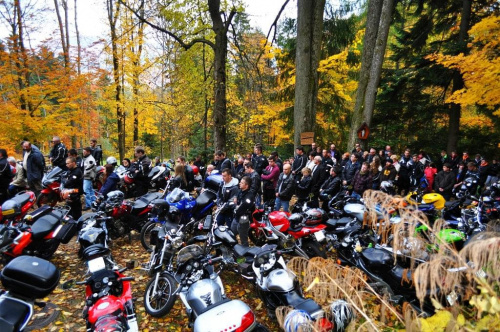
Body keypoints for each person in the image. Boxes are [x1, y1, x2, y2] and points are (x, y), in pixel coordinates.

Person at [231, 176, 254, 247]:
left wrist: (236, 206)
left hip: (243, 220)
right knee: (232, 234)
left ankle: (245, 252)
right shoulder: (240, 191)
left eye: (242, 183)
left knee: (243, 238)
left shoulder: (250, 196)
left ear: (246, 185)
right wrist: (235, 199)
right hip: (236, 217)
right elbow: (236, 198)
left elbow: (243, 206)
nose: (239, 184)